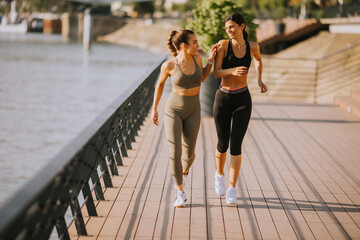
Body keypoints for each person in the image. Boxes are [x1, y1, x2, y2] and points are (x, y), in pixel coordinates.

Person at [151, 30, 217, 207]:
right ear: (183, 45)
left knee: (189, 154)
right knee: (175, 152)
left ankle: (184, 172)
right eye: (194, 42)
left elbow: (202, 78)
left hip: (194, 109)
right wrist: (154, 108)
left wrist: (210, 60)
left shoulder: (197, 59)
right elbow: (160, 86)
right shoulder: (169, 65)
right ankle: (180, 192)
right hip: (173, 110)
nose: (198, 45)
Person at [212, 13, 267, 204]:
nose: (229, 31)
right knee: (222, 143)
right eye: (227, 28)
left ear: (242, 26)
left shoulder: (253, 47)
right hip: (223, 98)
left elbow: (259, 60)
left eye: (232, 27)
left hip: (243, 99)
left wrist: (259, 79)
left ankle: (232, 188)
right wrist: (232, 71)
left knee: (236, 145)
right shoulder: (223, 45)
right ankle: (219, 174)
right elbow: (216, 72)